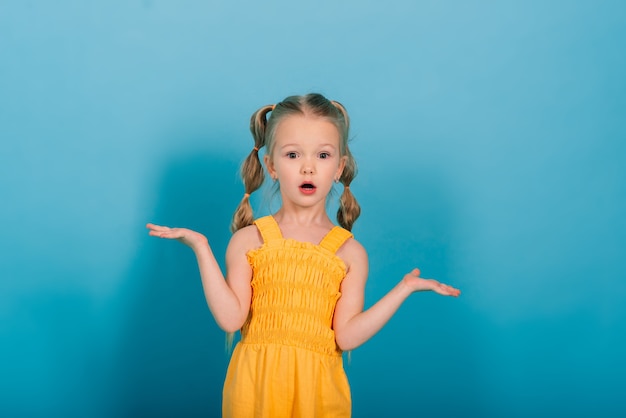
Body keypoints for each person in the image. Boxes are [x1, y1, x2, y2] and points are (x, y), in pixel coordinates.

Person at [146, 93, 460, 417]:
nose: (308, 167)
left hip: (319, 397)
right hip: (253, 393)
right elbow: (230, 318)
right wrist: (202, 247)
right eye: (293, 154)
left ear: (339, 167)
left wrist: (403, 289)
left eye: (323, 155)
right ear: (271, 166)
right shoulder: (249, 240)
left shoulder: (350, 252)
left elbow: (347, 336)